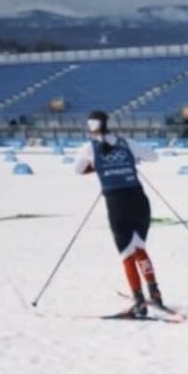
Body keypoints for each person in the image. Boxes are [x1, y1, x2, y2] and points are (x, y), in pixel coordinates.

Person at [73, 110, 166, 317]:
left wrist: (99, 167)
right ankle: (155, 292)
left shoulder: (89, 148)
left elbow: (78, 170)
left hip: (117, 204)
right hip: (139, 200)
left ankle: (139, 301)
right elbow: (154, 156)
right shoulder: (126, 143)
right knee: (139, 248)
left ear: (90, 127)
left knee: (127, 255)